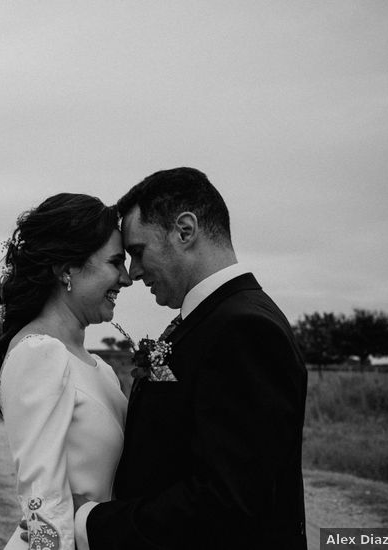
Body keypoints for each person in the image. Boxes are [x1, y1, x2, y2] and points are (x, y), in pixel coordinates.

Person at [74, 167, 308, 549]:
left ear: (185, 231)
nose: (132, 273)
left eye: (137, 252)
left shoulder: (244, 329)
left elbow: (226, 501)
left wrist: (92, 522)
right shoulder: (212, 320)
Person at [0, 193, 133, 550]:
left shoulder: (100, 369)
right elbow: (43, 500)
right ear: (67, 269)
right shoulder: (39, 354)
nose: (127, 279)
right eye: (116, 262)